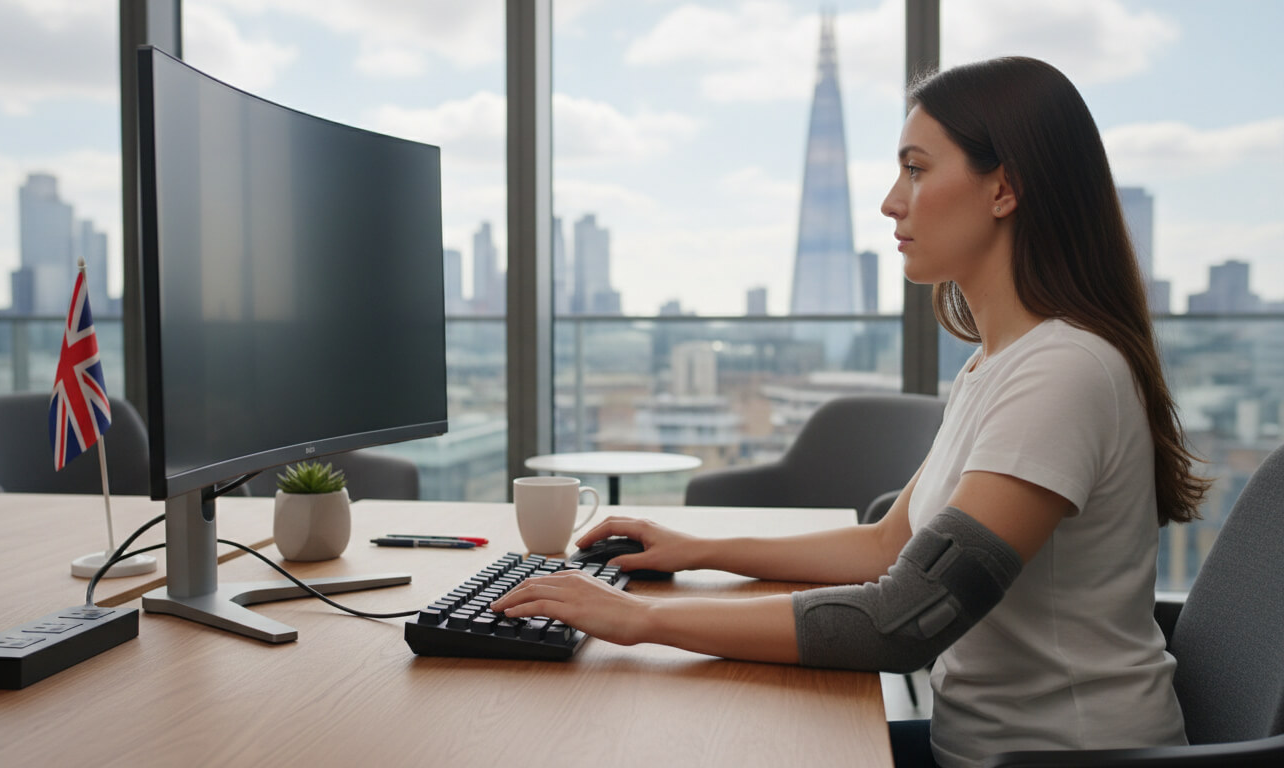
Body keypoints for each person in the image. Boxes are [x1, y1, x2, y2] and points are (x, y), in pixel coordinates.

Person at [491, 57, 1208, 768]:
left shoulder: (1064, 372)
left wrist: (639, 619)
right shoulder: (995, 367)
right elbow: (885, 544)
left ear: (1004, 189)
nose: (892, 201)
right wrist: (693, 548)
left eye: (917, 169)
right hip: (979, 748)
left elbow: (905, 617)